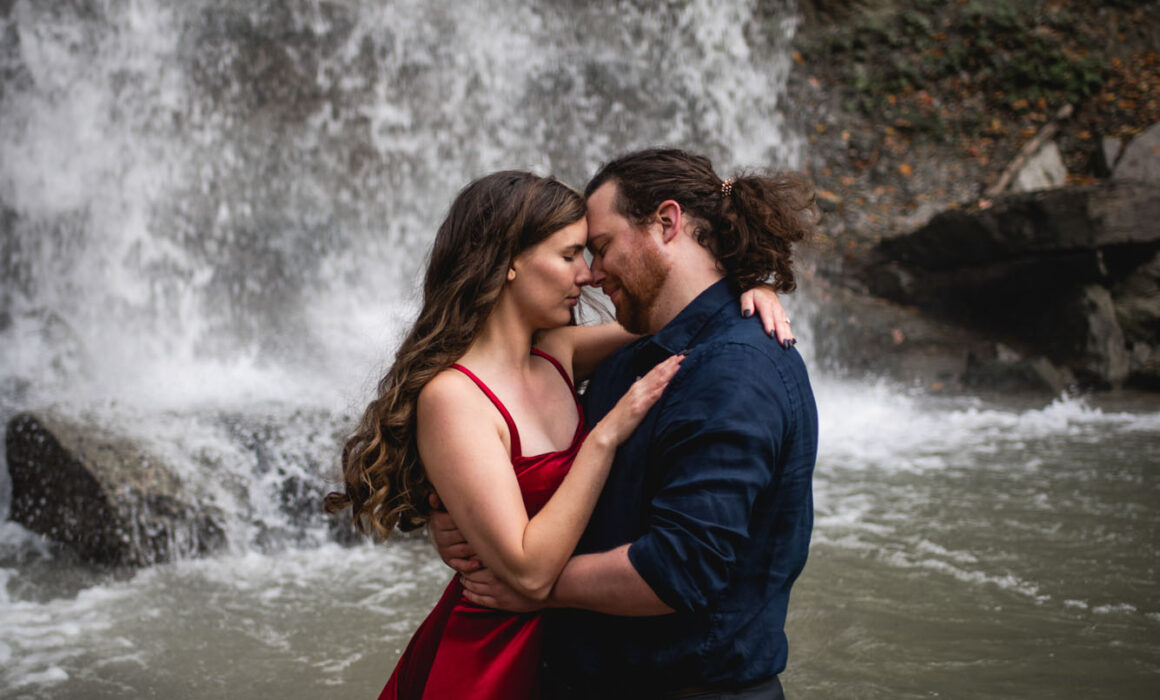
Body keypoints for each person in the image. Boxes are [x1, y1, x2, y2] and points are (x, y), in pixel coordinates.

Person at [324, 170, 791, 699]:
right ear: (508, 264)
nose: (587, 276)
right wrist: (604, 437)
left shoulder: (559, 352)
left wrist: (751, 288)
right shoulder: (453, 398)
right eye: (570, 255)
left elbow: (677, 311)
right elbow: (527, 573)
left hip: (564, 652)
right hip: (487, 655)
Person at [434, 149, 819, 699]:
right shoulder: (633, 349)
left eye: (600, 247)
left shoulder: (734, 372)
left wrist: (529, 586)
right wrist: (466, 522)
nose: (590, 274)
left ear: (667, 222)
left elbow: (678, 567)